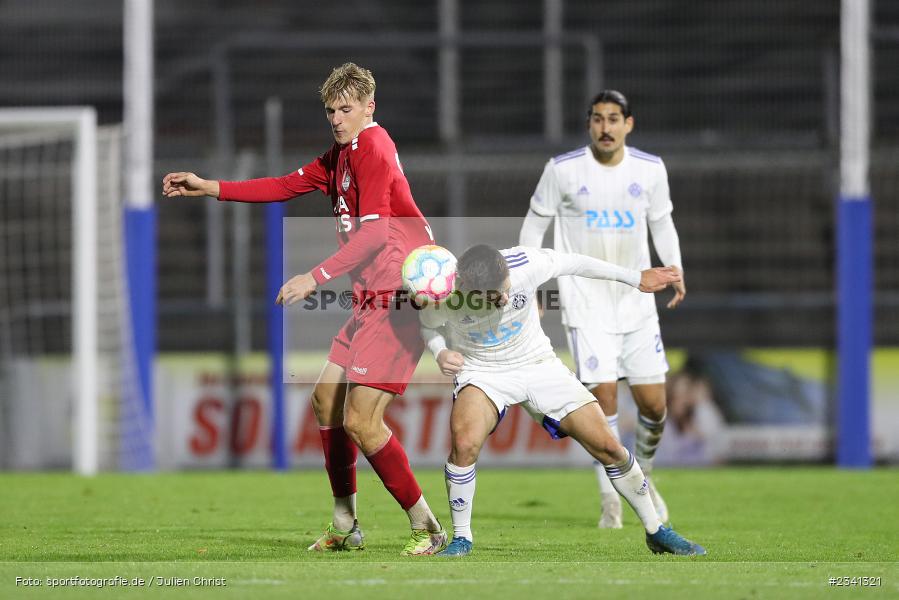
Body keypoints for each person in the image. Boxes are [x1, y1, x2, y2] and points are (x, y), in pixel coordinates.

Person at [162, 63, 448, 556]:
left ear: (368, 108)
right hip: (369, 298)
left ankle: (427, 526)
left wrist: (312, 278)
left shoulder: (374, 147)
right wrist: (209, 186)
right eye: (331, 110)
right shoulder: (338, 156)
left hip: (398, 297)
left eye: (346, 109)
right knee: (325, 401)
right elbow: (282, 185)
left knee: (361, 421)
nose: (337, 119)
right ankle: (345, 523)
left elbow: (377, 233)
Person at [419, 244, 705, 557]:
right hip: (483, 371)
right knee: (464, 443)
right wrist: (440, 351)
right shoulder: (442, 293)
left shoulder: (525, 264)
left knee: (609, 447)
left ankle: (657, 531)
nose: (504, 297)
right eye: (494, 295)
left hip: (539, 365)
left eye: (505, 289)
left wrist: (634, 277)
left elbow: (576, 261)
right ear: (466, 288)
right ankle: (462, 539)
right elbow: (428, 324)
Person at [519, 90, 684, 529]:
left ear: (629, 124)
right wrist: (529, 281)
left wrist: (675, 267)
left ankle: (642, 475)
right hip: (586, 304)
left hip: (636, 303)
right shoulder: (563, 170)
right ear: (589, 124)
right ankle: (611, 495)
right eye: (597, 119)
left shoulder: (649, 170)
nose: (605, 127)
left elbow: (662, 221)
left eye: (613, 119)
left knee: (654, 407)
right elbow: (535, 224)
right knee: (602, 402)